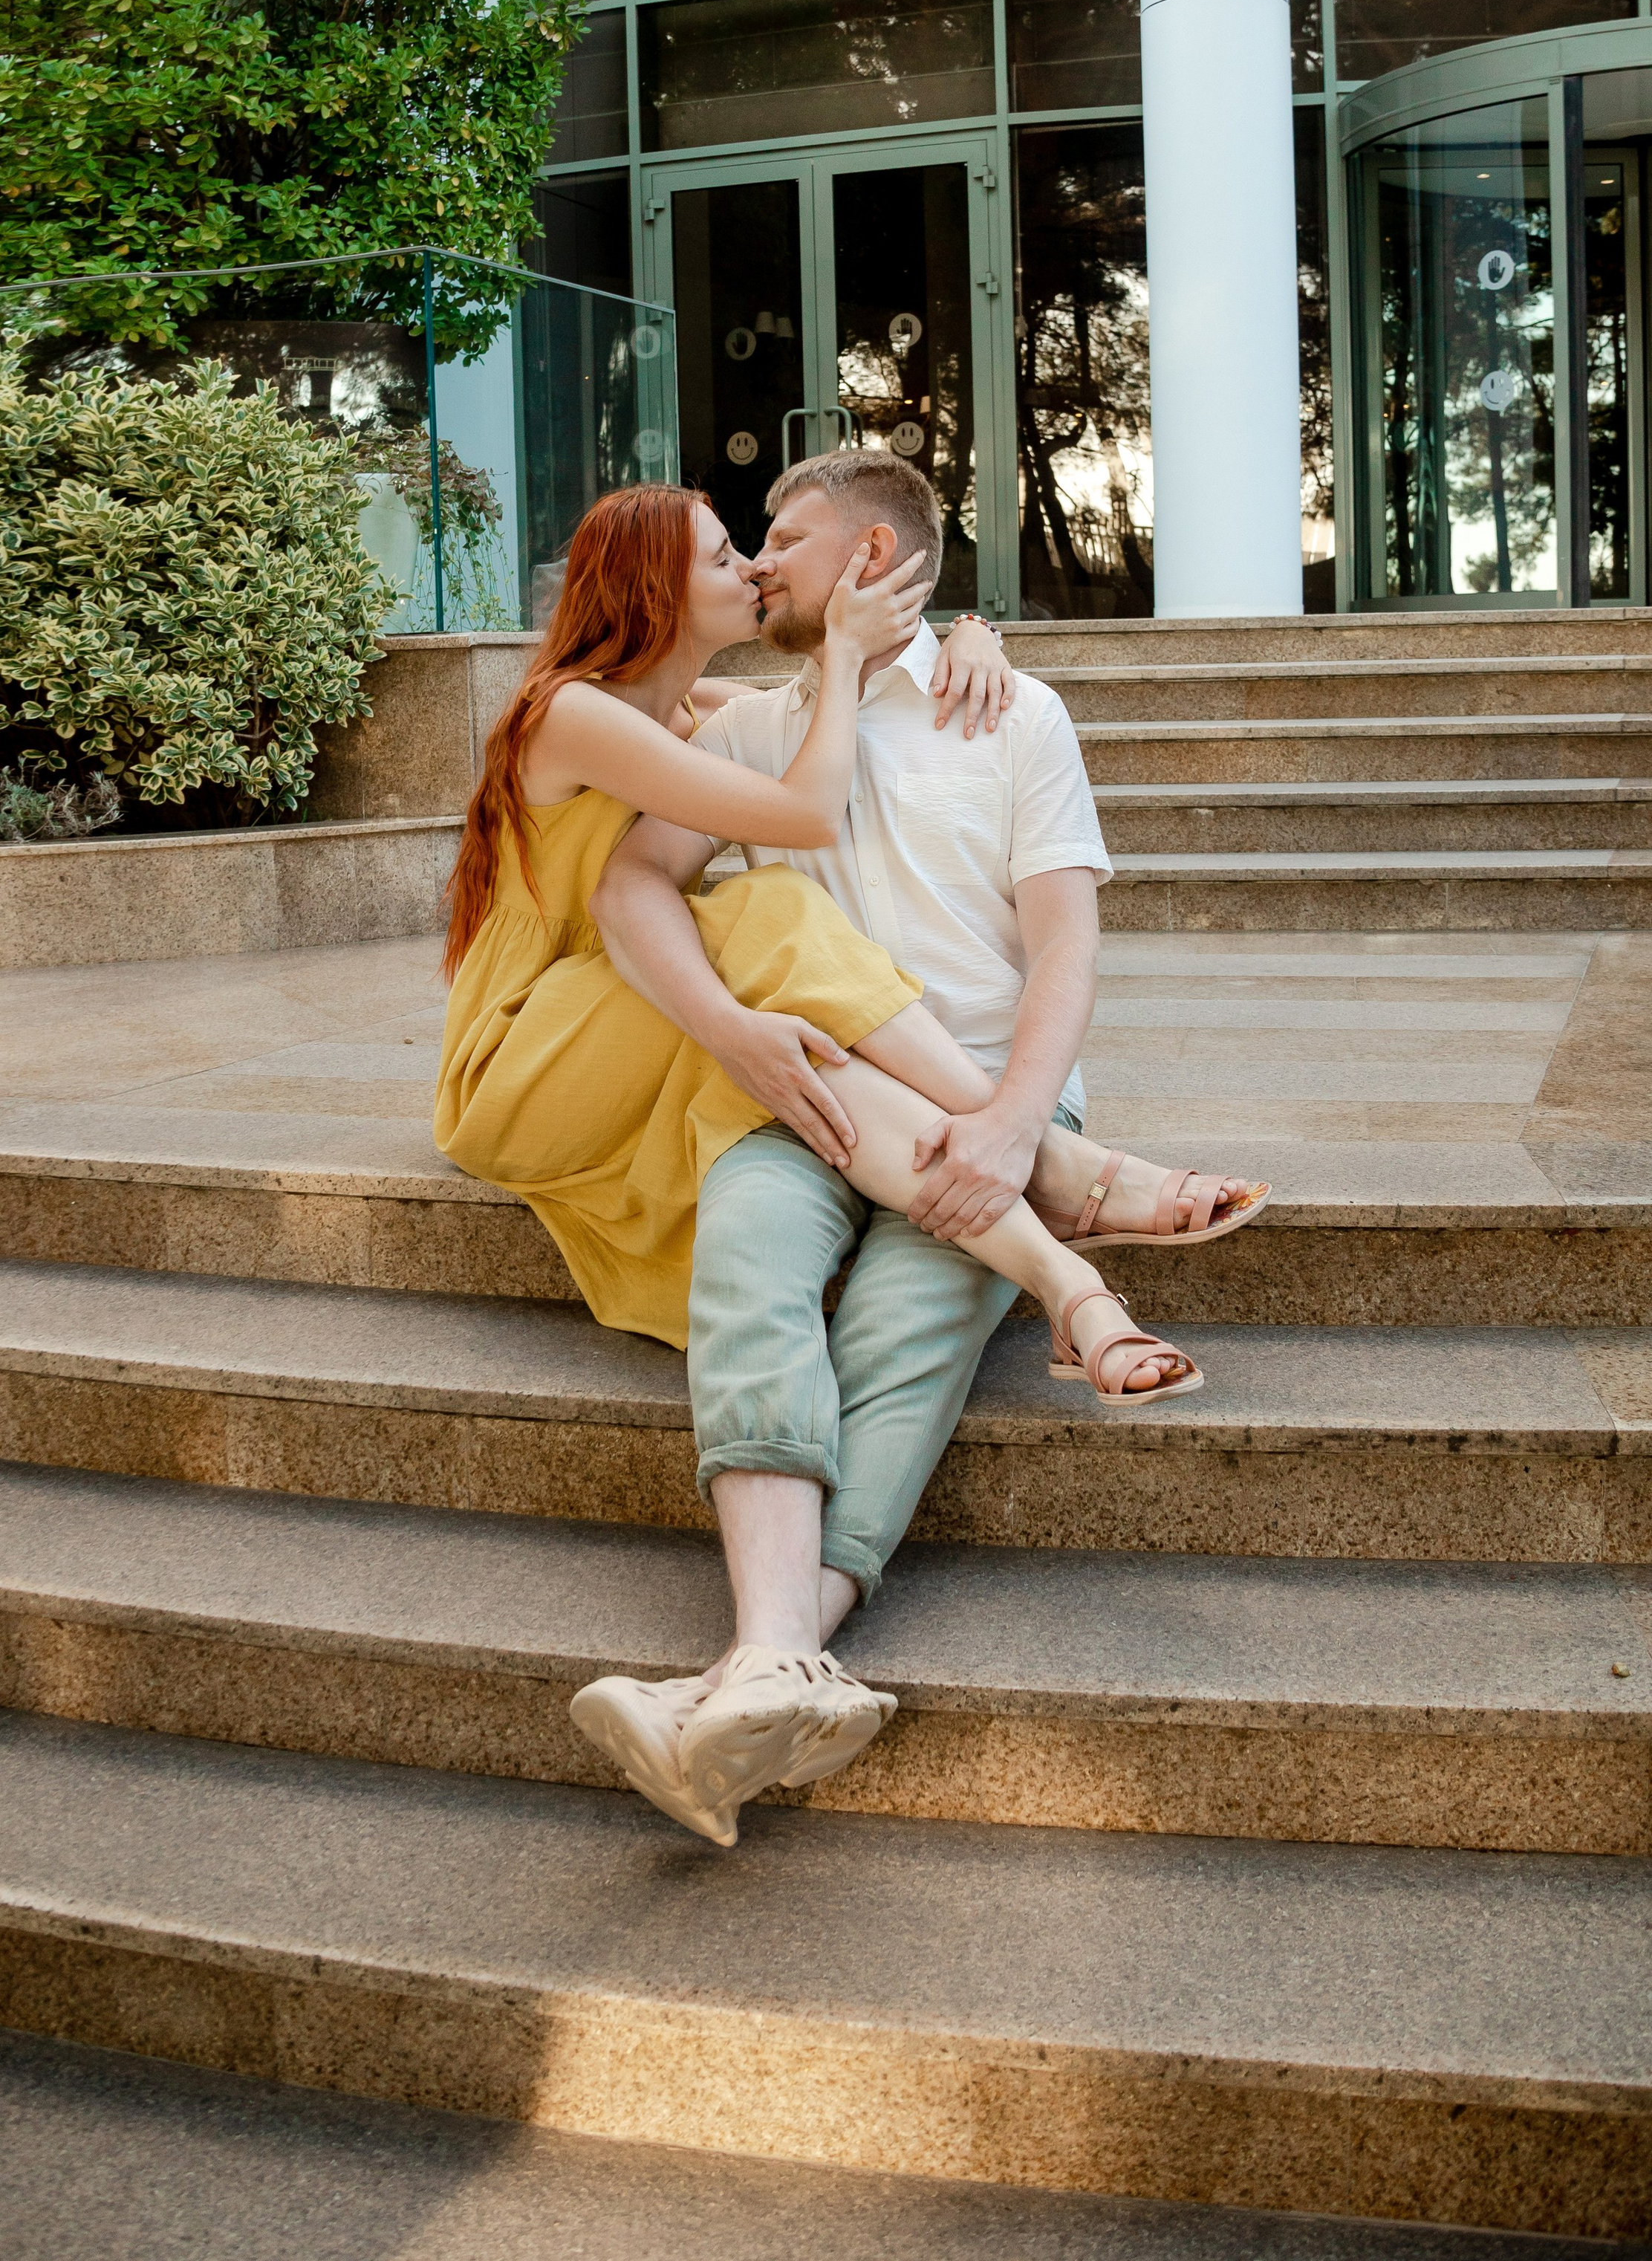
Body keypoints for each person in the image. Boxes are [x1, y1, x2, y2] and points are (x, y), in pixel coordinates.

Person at [435, 478, 1264, 1846]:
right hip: (799, 1092)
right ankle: (1075, 1217)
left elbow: (1068, 946)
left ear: (873, 554)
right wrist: (740, 1039)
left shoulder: (1012, 712)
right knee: (750, 1262)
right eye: (734, 549)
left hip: (975, 1100)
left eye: (779, 542)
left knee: (899, 1331)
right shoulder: (752, 719)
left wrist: (1013, 1121)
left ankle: (761, 1661)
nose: (757, 567)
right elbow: (634, 887)